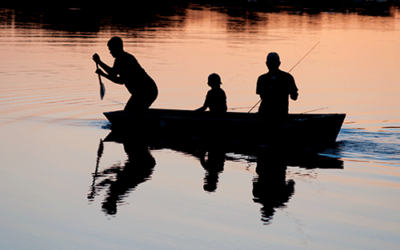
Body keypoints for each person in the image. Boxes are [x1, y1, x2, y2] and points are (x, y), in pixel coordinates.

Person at [92, 36, 158, 112]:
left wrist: (100, 63)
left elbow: (114, 75)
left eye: (111, 49)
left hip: (146, 91)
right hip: (147, 90)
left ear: (117, 47)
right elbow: (117, 78)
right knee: (134, 112)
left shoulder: (123, 59)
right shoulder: (123, 58)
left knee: (129, 113)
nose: (110, 52)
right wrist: (102, 71)